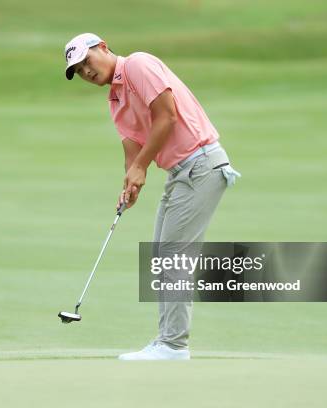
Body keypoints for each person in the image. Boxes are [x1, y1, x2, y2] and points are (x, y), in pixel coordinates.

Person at [64, 33, 240, 360]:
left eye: (87, 61)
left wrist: (142, 166)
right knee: (162, 254)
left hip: (202, 164)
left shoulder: (138, 66)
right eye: (78, 71)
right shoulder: (115, 100)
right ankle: (167, 341)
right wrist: (131, 182)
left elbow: (167, 116)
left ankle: (174, 345)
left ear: (103, 48)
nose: (86, 72)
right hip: (181, 172)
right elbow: (132, 150)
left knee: (173, 254)